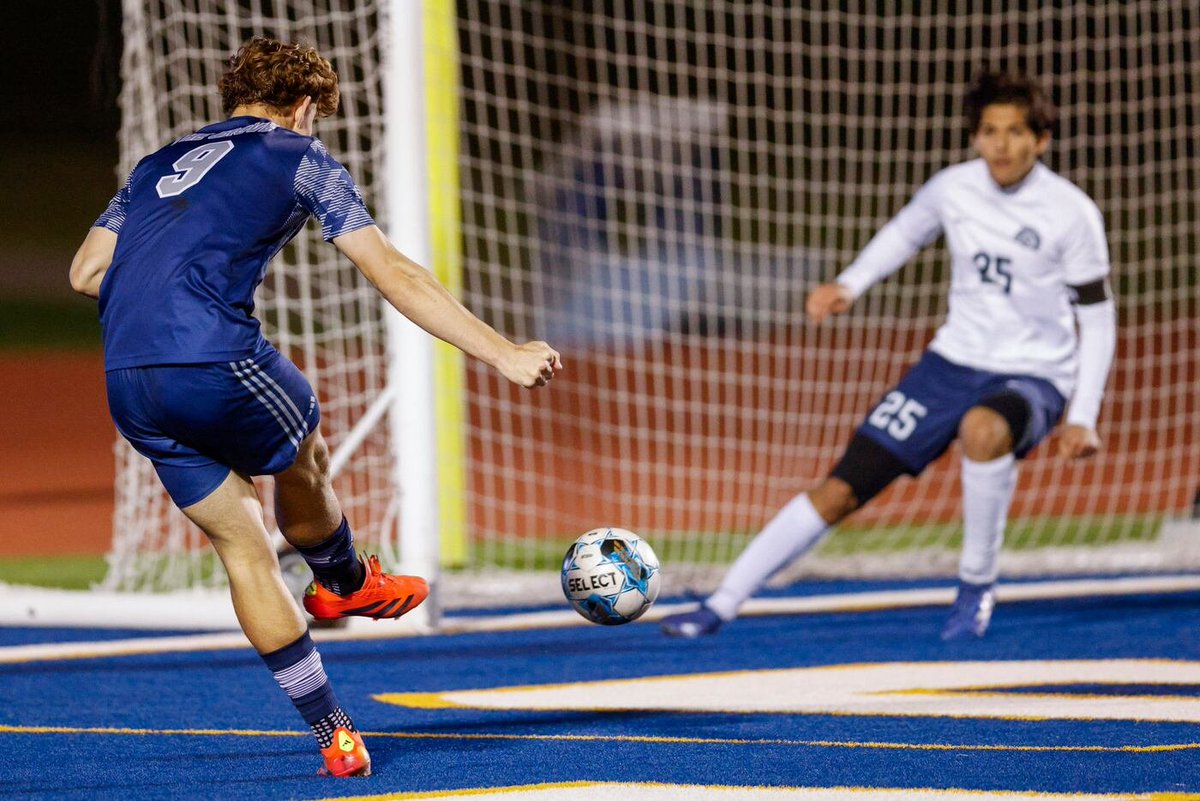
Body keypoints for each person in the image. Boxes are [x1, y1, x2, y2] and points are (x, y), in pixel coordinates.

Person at [69, 36, 561, 777]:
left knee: (243, 549)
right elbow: (390, 270)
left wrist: (164, 290)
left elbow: (85, 272)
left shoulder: (155, 164)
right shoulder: (297, 155)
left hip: (129, 377)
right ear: (303, 107)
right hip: (213, 355)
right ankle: (343, 581)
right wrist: (502, 352)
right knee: (302, 439)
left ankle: (335, 732)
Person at [661, 71, 1115, 641]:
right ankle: (721, 603)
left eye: (1016, 132)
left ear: (1041, 140)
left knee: (983, 430)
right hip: (949, 365)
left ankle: (976, 586)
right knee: (841, 489)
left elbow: (1097, 317)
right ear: (975, 137)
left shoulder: (1071, 213)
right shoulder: (953, 188)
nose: (1001, 145)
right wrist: (849, 284)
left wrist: (1082, 415)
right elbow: (905, 233)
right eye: (989, 131)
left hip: (1035, 373)